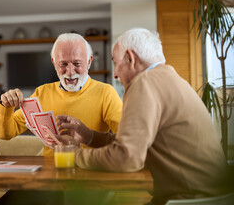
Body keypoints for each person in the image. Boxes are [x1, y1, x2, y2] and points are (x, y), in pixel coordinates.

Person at [57, 28, 230, 205]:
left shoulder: (144, 83)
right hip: (212, 195)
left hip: (191, 200)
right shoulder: (169, 78)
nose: (115, 74)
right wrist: (90, 136)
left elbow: (126, 158)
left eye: (115, 63)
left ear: (131, 59)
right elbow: (137, 143)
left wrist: (75, 155)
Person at [0, 33, 122, 205]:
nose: (70, 72)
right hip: (47, 176)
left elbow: (125, 140)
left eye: (77, 63)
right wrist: (5, 105)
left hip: (87, 174)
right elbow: (6, 133)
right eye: (63, 64)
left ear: (89, 61)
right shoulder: (42, 92)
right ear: (54, 63)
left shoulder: (106, 93)